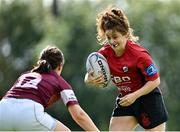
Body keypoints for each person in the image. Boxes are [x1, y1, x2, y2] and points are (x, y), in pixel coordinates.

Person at [84, 6, 168, 131]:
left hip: (149, 100)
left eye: (115, 37)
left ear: (126, 34)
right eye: (108, 38)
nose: (112, 41)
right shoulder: (103, 55)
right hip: (126, 100)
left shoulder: (140, 55)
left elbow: (155, 81)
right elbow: (89, 75)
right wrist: (89, 79)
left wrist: (134, 95)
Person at [0, 46, 99, 131]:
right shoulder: (59, 80)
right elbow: (78, 115)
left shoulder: (25, 76)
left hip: (3, 109)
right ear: (60, 66)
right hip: (28, 112)